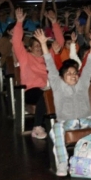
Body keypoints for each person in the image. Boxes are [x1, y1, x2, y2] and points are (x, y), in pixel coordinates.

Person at [34, 28, 91, 175]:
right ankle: (63, 164)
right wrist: (44, 44)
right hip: (67, 122)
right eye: (69, 73)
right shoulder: (58, 86)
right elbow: (50, 65)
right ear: (62, 77)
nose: (73, 75)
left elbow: (89, 63)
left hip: (85, 119)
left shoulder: (82, 84)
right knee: (56, 128)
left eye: (75, 73)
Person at [13, 8, 64, 139]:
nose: (38, 47)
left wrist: (54, 23)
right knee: (45, 94)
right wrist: (19, 23)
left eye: (40, 45)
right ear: (29, 47)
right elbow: (16, 42)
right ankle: (37, 127)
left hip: (48, 89)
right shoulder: (25, 57)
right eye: (35, 45)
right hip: (31, 90)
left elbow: (60, 43)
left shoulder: (47, 56)